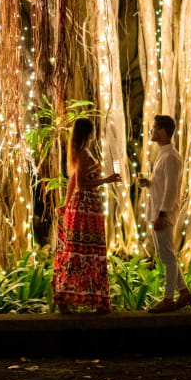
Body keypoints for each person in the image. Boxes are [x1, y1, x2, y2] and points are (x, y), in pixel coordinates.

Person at [53, 118, 121, 313]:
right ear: (88, 132)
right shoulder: (82, 154)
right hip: (85, 208)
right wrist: (106, 180)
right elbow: (81, 184)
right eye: (92, 130)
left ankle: (92, 299)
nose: (94, 133)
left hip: (89, 208)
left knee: (88, 252)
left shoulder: (83, 152)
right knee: (81, 253)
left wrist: (65, 205)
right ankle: (67, 298)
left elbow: (72, 180)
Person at [138, 114, 191, 313]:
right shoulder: (163, 155)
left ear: (162, 131)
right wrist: (149, 184)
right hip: (157, 210)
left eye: (153, 128)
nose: (151, 131)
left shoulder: (171, 157)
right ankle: (184, 293)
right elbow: (163, 185)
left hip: (163, 213)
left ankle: (168, 299)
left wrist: (162, 214)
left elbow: (171, 190)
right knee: (165, 255)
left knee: (168, 257)